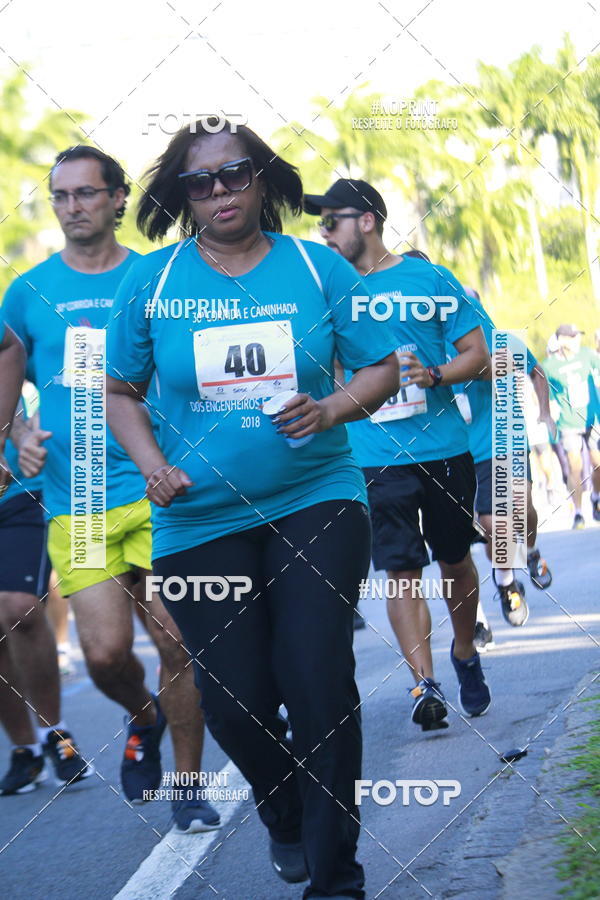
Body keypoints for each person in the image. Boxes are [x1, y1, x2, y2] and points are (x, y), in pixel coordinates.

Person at [106, 119, 399, 900]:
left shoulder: (315, 266)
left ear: (262, 177)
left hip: (316, 496)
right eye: (199, 181)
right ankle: (283, 806)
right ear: (182, 195)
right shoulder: (153, 281)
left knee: (318, 678)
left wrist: (331, 409)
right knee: (233, 699)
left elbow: (381, 369)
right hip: (198, 517)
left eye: (234, 173)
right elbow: (118, 391)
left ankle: (337, 880)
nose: (220, 191)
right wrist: (152, 465)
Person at [2, 145, 219, 831]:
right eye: (61, 196)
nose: (72, 207)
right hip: (81, 500)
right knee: (103, 655)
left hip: (159, 491)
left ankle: (188, 784)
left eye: (86, 193)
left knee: (176, 641)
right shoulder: (28, 292)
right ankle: (142, 715)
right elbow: (7, 375)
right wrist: (17, 436)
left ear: (118, 198)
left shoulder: (156, 278)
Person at [305, 178, 493, 732]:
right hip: (373, 455)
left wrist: (432, 373)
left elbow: (479, 354)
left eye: (332, 221)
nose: (324, 233)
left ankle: (464, 650)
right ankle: (424, 683)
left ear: (367, 221)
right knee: (400, 568)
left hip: (443, 449)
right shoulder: (326, 291)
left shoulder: (429, 279)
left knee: (454, 561)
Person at [448, 287, 555, 649]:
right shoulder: (434, 343)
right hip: (459, 450)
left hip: (504, 437)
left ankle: (530, 551)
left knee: (522, 510)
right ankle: (505, 584)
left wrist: (544, 412)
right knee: (490, 526)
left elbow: (537, 371)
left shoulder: (500, 340)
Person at [0, 384, 93, 794]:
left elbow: (33, 372)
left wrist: (21, 436)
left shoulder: (11, 347)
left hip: (18, 493)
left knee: (18, 608)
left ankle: (56, 733)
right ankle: (26, 750)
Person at [543, 324, 600, 528]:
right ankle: (578, 513)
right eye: (573, 337)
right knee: (575, 466)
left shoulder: (587, 355)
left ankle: (595, 496)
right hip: (568, 422)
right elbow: (545, 393)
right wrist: (548, 415)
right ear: (561, 340)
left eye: (578, 336)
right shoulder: (549, 366)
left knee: (597, 463)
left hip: (592, 419)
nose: (577, 340)